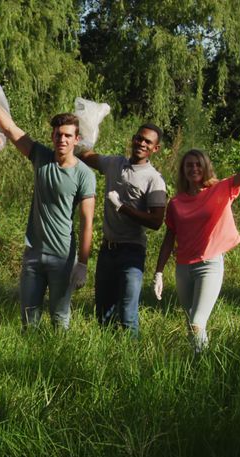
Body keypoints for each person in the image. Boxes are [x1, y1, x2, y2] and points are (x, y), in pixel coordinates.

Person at [0, 95, 96, 328]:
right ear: (52, 136)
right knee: (29, 318)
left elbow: (87, 222)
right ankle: (29, 361)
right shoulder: (41, 157)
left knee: (59, 318)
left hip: (63, 257)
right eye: (58, 134)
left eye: (67, 135)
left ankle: (59, 361)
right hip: (33, 253)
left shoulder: (84, 174)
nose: (62, 139)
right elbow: (9, 128)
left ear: (77, 139)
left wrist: (82, 264)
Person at [153, 149, 240, 352]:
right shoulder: (176, 203)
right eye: (189, 165)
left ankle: (203, 362)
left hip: (209, 265)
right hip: (183, 268)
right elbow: (169, 238)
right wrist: (158, 272)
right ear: (183, 170)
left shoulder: (221, 188)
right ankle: (199, 362)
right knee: (190, 321)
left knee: (197, 321)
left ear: (206, 167)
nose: (194, 168)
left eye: (198, 164)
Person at [77, 124, 167, 335]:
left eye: (148, 142)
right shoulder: (114, 163)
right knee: (103, 312)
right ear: (133, 138)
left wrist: (123, 208)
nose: (142, 143)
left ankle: (132, 362)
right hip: (107, 249)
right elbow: (86, 156)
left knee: (127, 313)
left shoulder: (154, 179)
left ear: (156, 149)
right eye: (139, 138)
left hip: (132, 252)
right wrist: (86, 133)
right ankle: (106, 357)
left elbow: (156, 221)